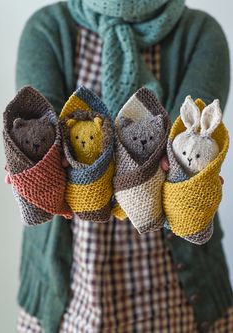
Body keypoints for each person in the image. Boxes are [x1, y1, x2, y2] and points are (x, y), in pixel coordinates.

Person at [12, 0, 233, 332]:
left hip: (177, 293)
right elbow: (48, 137)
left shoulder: (200, 34)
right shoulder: (47, 28)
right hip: (72, 293)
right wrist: (35, 169)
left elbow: (185, 143)